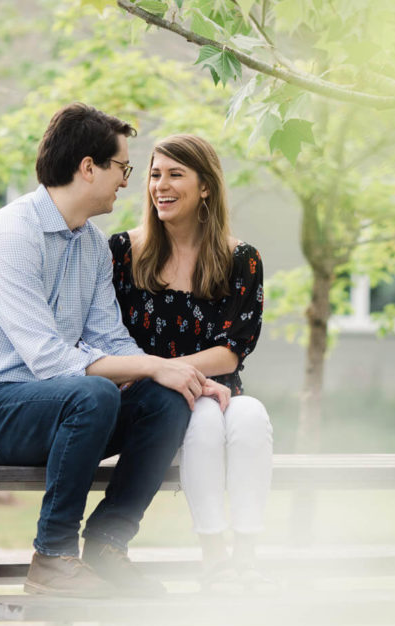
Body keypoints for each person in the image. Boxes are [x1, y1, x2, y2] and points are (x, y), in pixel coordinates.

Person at [0, 104, 227, 597]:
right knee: (92, 392)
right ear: (88, 167)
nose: (127, 182)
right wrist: (155, 364)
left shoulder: (90, 245)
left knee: (165, 397)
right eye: (124, 168)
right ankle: (52, 557)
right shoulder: (9, 238)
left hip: (60, 407)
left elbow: (110, 338)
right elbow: (51, 361)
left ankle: (107, 545)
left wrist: (176, 375)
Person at [108, 134, 273, 588]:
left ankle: (247, 557)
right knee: (201, 416)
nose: (161, 185)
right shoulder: (122, 252)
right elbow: (108, 336)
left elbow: (233, 349)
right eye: (155, 175)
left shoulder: (242, 259)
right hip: (155, 404)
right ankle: (214, 558)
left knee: (252, 415)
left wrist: (186, 370)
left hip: (223, 393)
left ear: (205, 187)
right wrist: (171, 376)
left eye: (175, 174)